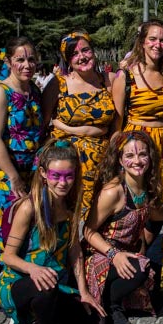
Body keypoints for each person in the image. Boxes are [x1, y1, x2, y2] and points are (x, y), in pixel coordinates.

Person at [0, 141, 103, 324]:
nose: (62, 182)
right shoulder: (29, 207)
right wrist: (33, 269)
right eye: (56, 176)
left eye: (68, 176)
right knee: (45, 285)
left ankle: (38, 314)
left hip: (56, 280)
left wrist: (84, 293)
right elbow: (7, 256)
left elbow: (74, 251)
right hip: (20, 281)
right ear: (44, 173)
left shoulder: (71, 206)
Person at [83, 131, 163, 324]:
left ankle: (118, 298)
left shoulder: (145, 185)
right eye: (130, 156)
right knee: (141, 269)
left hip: (127, 252)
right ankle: (110, 303)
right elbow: (88, 231)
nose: (137, 161)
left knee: (152, 274)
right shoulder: (113, 192)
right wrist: (113, 255)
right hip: (100, 255)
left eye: (142, 155)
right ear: (120, 160)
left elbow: (151, 213)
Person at [42, 31, 117, 217]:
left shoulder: (109, 81)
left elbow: (118, 124)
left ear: (93, 51)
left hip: (101, 163)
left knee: (97, 218)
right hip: (66, 167)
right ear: (68, 60)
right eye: (74, 54)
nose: (81, 57)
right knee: (65, 217)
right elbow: (43, 125)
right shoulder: (58, 84)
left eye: (85, 50)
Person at [0, 36, 42, 264]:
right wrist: (13, 177)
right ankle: (6, 289)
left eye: (31, 60)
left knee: (27, 234)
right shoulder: (0, 92)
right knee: (6, 233)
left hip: (30, 172)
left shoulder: (34, 91)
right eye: (20, 60)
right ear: (8, 61)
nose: (27, 65)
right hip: (4, 175)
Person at [113, 19, 163, 204]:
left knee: (158, 202)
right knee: (134, 200)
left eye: (162, 40)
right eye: (152, 39)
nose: (157, 45)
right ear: (142, 42)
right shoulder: (126, 77)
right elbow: (116, 124)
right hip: (135, 144)